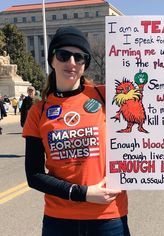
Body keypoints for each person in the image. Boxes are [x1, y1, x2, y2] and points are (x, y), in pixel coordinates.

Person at [22, 26, 130, 236]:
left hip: (108, 217)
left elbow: (158, 120)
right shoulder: (39, 111)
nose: (71, 62)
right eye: (63, 55)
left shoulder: (106, 96)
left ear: (85, 64)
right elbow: (34, 175)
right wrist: (83, 194)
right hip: (59, 221)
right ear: (52, 60)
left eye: (79, 57)